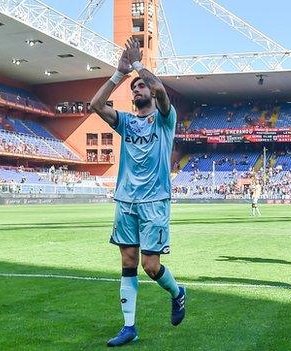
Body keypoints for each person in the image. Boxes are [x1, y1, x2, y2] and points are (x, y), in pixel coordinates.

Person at [90, 38, 184, 347]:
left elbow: (161, 90)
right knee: (128, 262)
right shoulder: (127, 122)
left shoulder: (165, 119)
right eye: (134, 88)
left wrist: (139, 67)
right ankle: (129, 327)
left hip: (155, 201)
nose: (137, 89)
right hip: (126, 201)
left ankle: (177, 292)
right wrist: (120, 73)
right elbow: (95, 106)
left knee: (150, 266)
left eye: (140, 86)